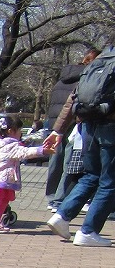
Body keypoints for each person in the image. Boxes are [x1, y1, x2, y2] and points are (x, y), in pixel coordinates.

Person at [42, 49, 97, 210]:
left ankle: (51, 197)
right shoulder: (87, 78)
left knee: (54, 161)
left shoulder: (63, 79)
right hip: (73, 123)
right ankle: (61, 198)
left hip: (54, 123)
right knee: (70, 163)